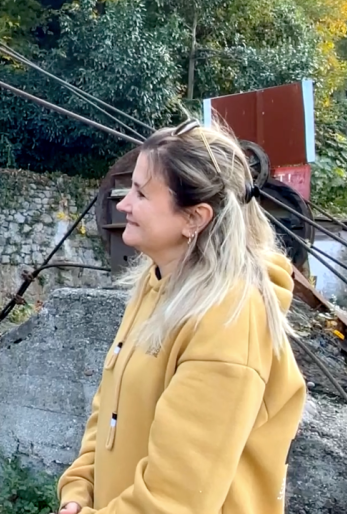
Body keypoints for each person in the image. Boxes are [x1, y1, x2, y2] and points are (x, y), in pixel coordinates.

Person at [56, 119, 307, 514]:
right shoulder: (157, 282)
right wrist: (78, 489)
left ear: (194, 218)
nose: (123, 204)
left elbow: (176, 500)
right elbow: (108, 412)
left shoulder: (229, 320)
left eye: (141, 193)